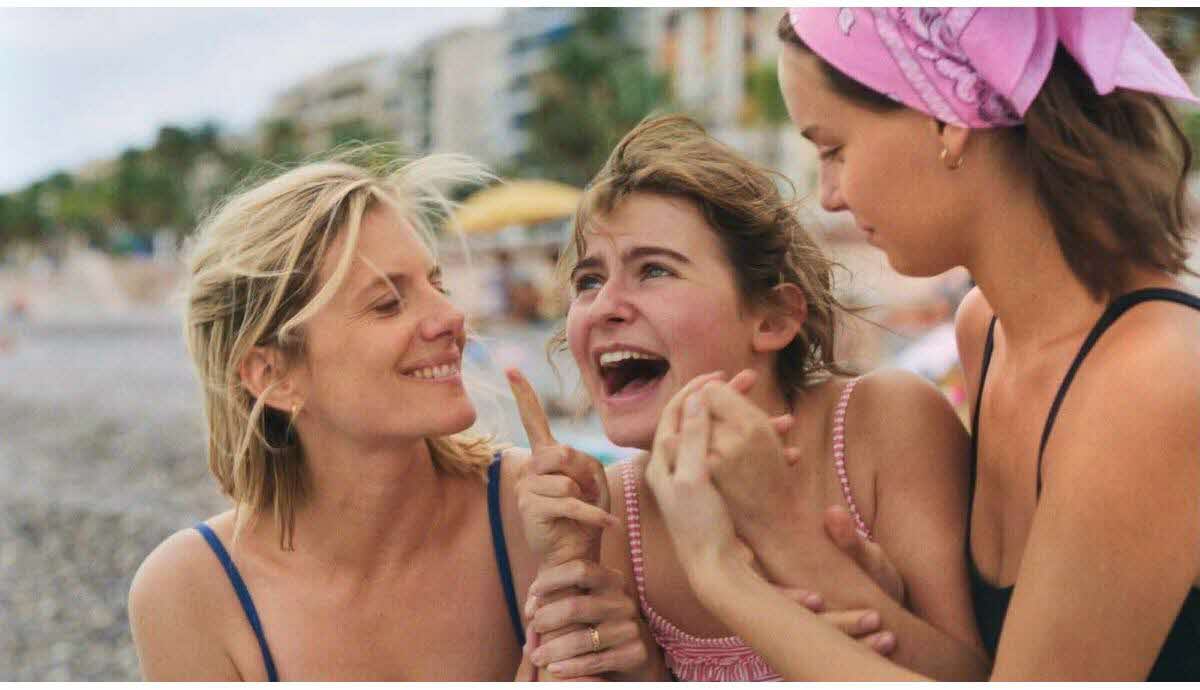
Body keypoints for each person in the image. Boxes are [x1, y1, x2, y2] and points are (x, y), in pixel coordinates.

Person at [645, 7, 1200, 681]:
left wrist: (722, 573)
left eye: (833, 149)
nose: (829, 198)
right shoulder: (986, 331)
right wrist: (832, 568)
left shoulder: (1149, 381)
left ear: (948, 119)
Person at [126, 153, 652, 680]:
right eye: (387, 304)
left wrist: (618, 653)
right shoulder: (192, 593)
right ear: (272, 375)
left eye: (436, 284)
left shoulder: (541, 517)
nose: (451, 317)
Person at [516, 114, 990, 681]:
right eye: (588, 281)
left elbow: (967, 674)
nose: (605, 305)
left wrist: (808, 556)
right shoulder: (614, 509)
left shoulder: (882, 421)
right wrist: (570, 574)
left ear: (773, 318)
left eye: (655, 270)